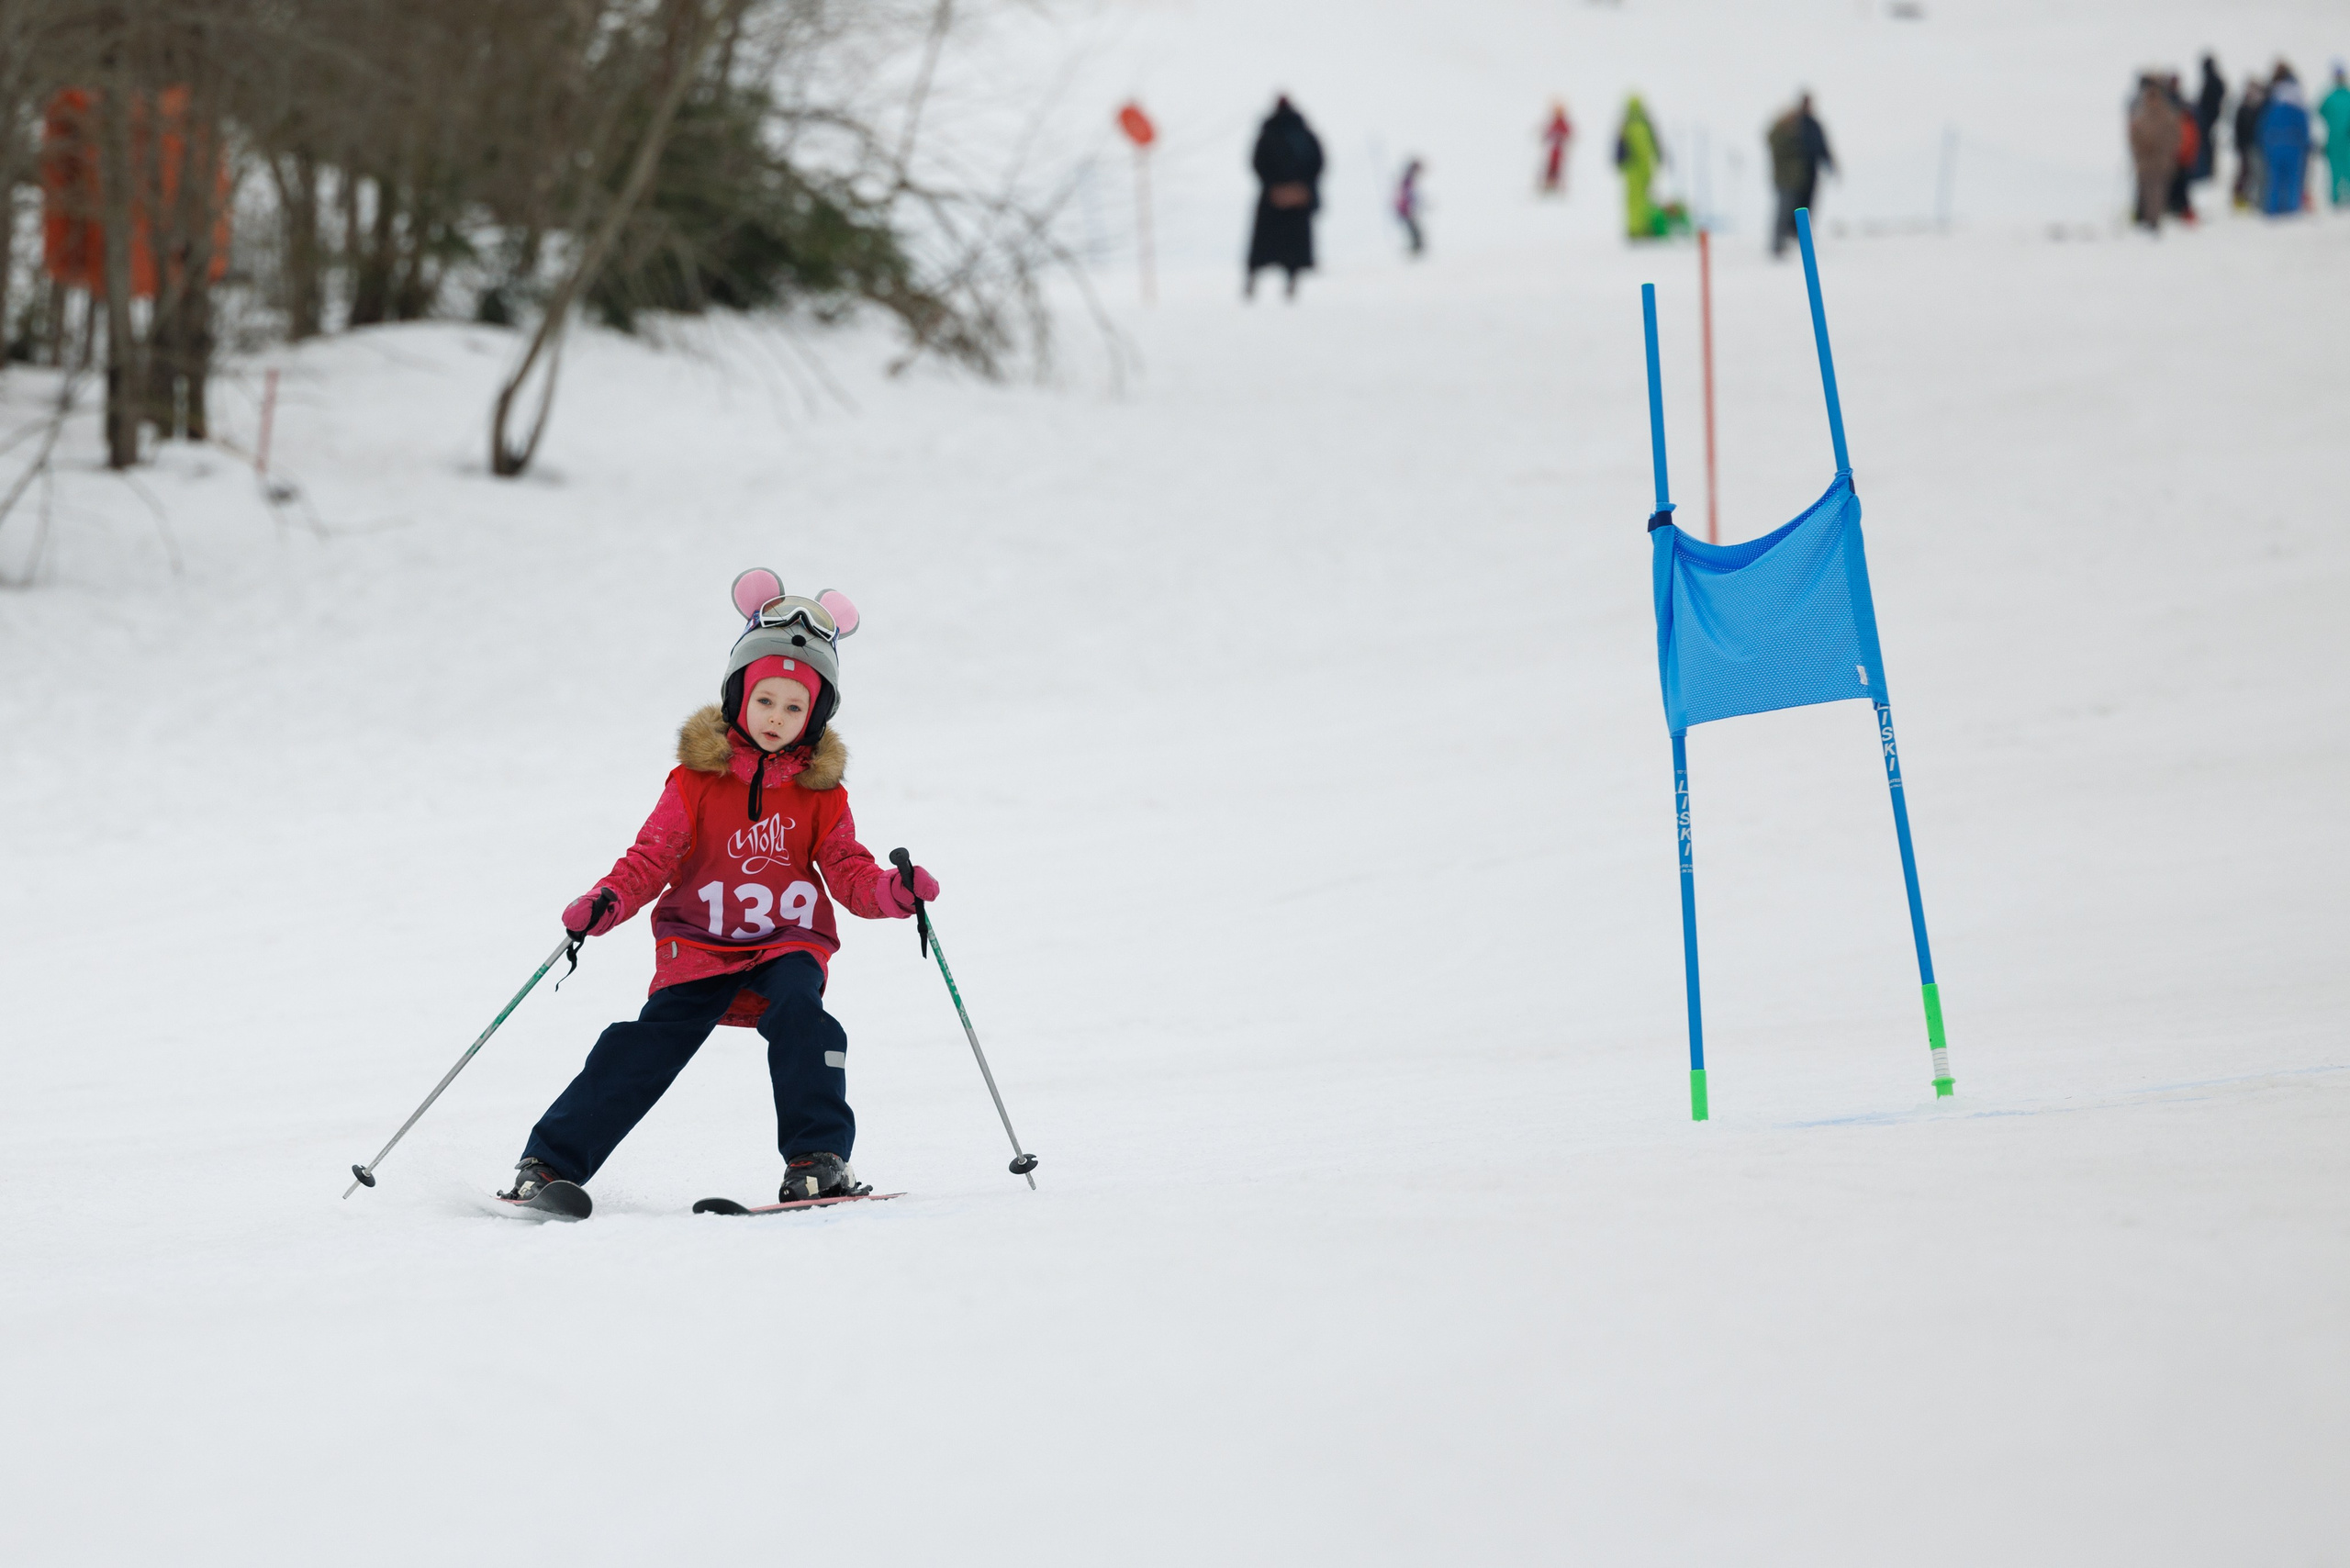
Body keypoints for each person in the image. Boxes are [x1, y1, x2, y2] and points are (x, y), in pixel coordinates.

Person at [498, 571, 935, 1211]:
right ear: (738, 696)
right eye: (766, 701)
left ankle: (818, 1161)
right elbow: (652, 857)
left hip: (787, 942)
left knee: (804, 1020)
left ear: (815, 717)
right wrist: (607, 900)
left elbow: (847, 868)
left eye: (795, 708)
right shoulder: (694, 782)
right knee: (646, 1044)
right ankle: (548, 1163)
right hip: (699, 943)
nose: (777, 719)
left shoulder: (822, 794)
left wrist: (891, 892)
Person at [1246, 95, 1324, 300]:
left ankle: (1254, 282)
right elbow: (1317, 162)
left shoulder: (1269, 133)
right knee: (1290, 247)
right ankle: (1289, 282)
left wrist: (1277, 187)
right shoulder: (1305, 134)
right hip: (1291, 196)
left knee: (1266, 247)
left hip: (1276, 196)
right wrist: (1300, 187)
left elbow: (1257, 162)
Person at [1765, 92, 1835, 255]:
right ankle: (1778, 244)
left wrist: (1829, 164)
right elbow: (1777, 146)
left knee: (1805, 210)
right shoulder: (1782, 131)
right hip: (1787, 179)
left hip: (1805, 178)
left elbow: (1820, 145)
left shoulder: (1810, 124)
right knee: (1785, 211)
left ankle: (1799, 242)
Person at [2127, 73, 2182, 230]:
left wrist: (2164, 150)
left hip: (2161, 161)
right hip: (2145, 161)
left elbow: (2174, 137)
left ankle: (2154, 220)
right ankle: (2146, 218)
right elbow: (2134, 135)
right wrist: (2140, 149)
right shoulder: (2141, 115)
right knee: (2145, 190)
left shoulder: (2167, 116)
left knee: (2158, 192)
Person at [2259, 62, 2311, 215]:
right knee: (2293, 179)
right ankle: (2292, 208)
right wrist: (2307, 144)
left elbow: (2264, 127)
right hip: (2294, 145)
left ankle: (2273, 208)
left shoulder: (2273, 105)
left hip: (2276, 144)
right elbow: (2304, 127)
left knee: (2275, 179)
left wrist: (2265, 145)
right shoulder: (2298, 105)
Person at [1616, 95, 1663, 240]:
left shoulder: (1626, 125)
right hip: (1643, 168)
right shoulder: (1644, 125)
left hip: (1631, 170)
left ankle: (1635, 227)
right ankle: (1642, 227)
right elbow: (1650, 147)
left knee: (1633, 200)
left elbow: (1620, 149)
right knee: (1643, 198)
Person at [2232, 73, 2269, 208]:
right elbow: (2238, 128)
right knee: (2244, 173)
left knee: (2258, 174)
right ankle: (2240, 199)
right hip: (2246, 146)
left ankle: (2257, 199)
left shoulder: (2261, 107)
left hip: (2258, 145)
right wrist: (2239, 145)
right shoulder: (2243, 107)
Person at [2191, 53, 2227, 184]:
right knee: (2208, 144)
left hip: (2208, 119)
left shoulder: (2211, 81)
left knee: (2207, 145)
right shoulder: (2214, 80)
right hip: (2211, 118)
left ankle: (2208, 171)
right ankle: (2209, 170)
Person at [2322, 63, 2350, 206]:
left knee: (2340, 168)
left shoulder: (2332, 97)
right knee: (2339, 168)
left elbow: (2320, 111)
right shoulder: (2336, 96)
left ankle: (2337, 198)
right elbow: (2320, 111)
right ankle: (2336, 198)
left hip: (2340, 139)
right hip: (2340, 139)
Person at [1539, 101, 1573, 195]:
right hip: (1552, 150)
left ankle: (1557, 187)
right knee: (1549, 167)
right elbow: (1546, 133)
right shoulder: (1553, 123)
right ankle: (1547, 186)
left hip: (1560, 151)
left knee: (1558, 168)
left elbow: (1569, 134)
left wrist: (1563, 137)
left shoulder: (1563, 123)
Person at [1394, 158, 1426, 255]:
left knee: (1414, 228)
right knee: (1414, 229)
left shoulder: (1408, 178)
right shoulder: (1408, 179)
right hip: (1406, 209)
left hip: (1406, 208)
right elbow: (1408, 194)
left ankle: (1417, 247)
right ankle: (1417, 248)